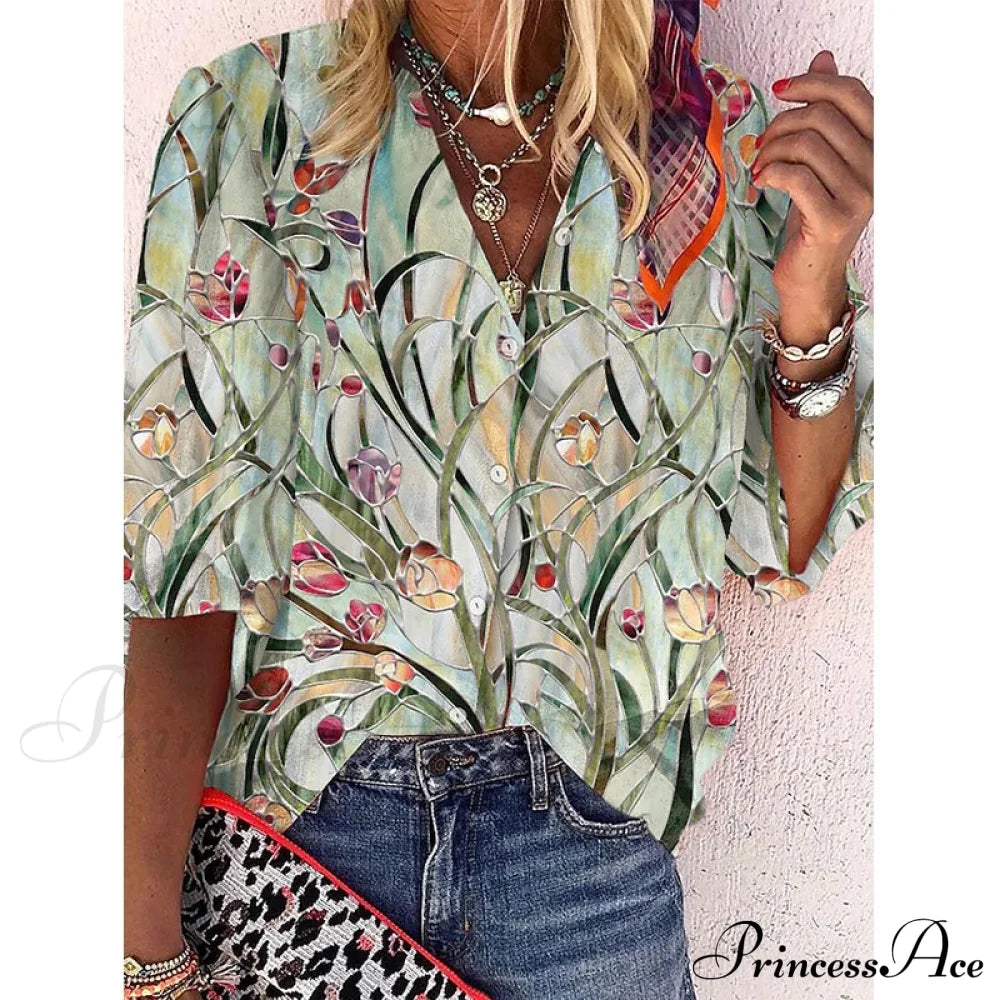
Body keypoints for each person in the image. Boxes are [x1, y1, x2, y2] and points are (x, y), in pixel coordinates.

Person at [123, 1, 874, 997]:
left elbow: (776, 541)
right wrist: (143, 951)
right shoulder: (251, 119)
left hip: (591, 892)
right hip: (307, 861)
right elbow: (178, 573)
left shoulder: (714, 146)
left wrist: (815, 283)